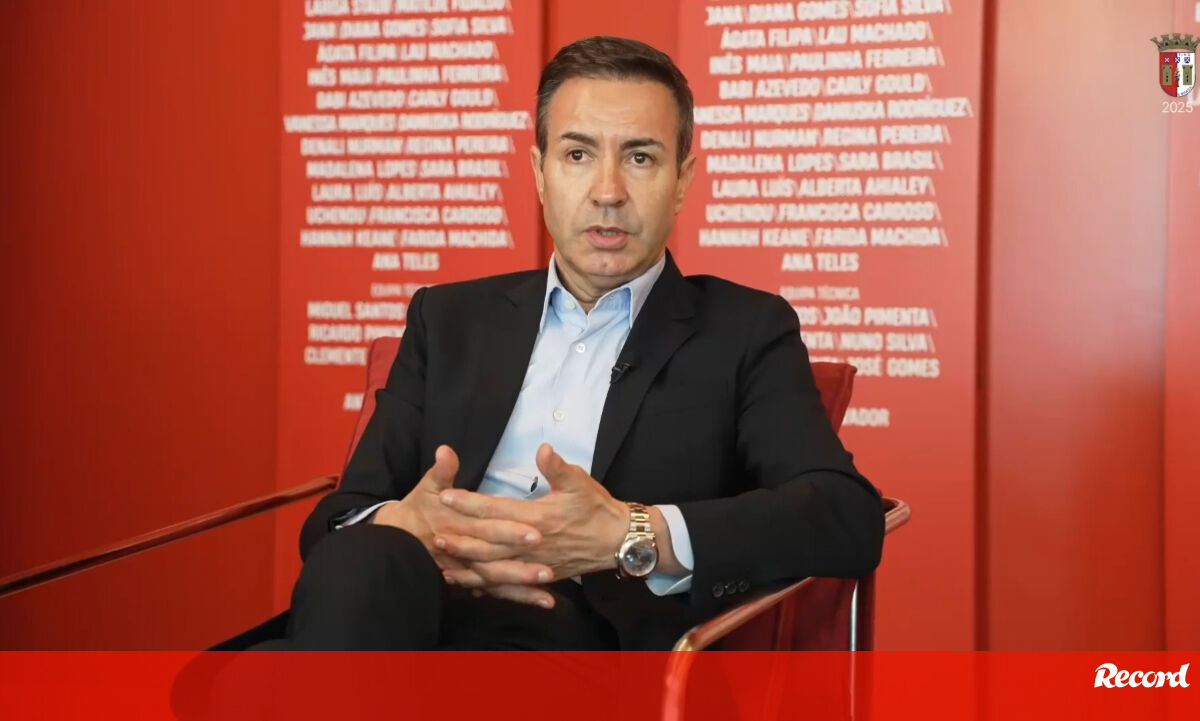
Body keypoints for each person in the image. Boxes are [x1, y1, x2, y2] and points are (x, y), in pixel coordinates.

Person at [285, 35, 884, 651]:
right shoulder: (448, 317)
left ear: (682, 180)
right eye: (577, 154)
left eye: (640, 158)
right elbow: (337, 519)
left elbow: (845, 514)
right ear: (539, 173)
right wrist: (407, 525)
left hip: (582, 643)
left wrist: (631, 533)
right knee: (360, 560)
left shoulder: (745, 329)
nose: (607, 191)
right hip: (403, 611)